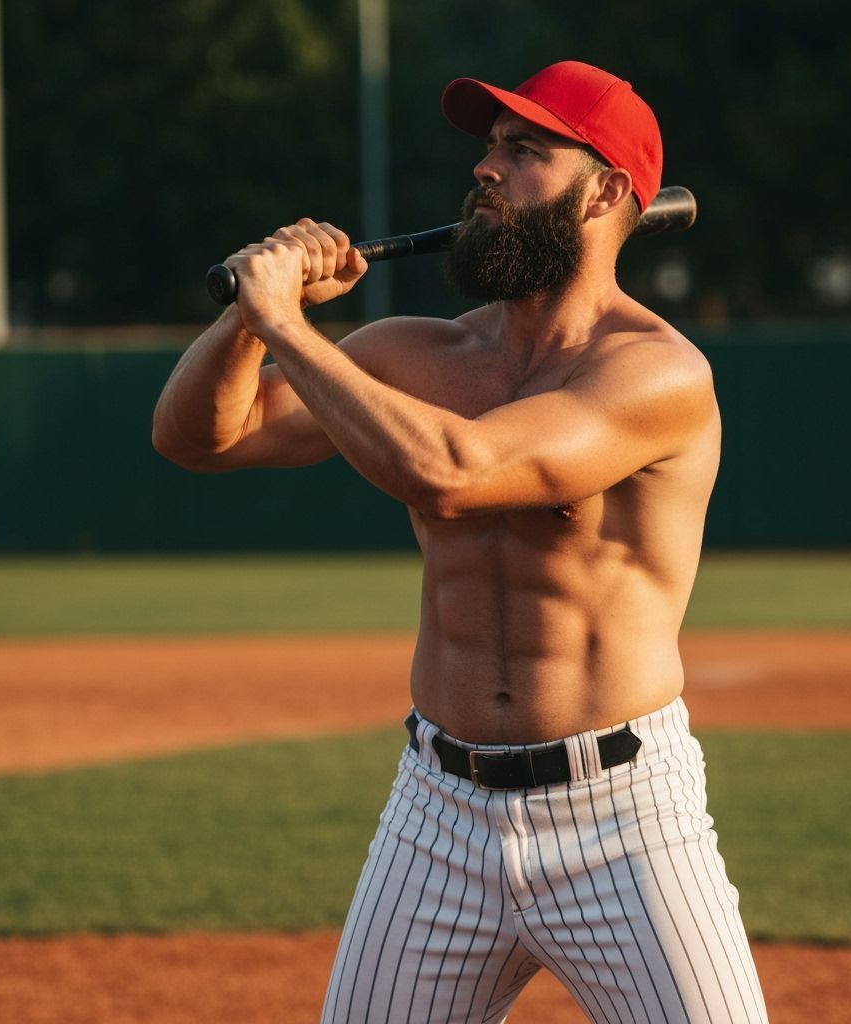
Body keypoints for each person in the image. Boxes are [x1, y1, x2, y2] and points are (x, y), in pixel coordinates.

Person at [153, 60, 769, 1024]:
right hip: (437, 813)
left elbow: (456, 473)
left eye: (525, 151)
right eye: (487, 148)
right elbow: (198, 437)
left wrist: (287, 324)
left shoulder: (657, 374)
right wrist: (248, 320)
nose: (486, 169)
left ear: (608, 191)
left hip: (623, 818)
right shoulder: (416, 353)